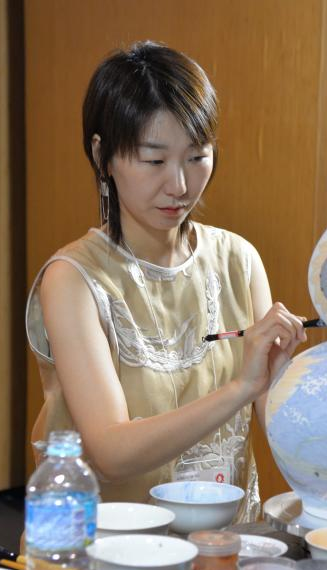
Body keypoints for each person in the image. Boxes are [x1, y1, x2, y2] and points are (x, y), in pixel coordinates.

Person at [25, 41, 306, 522]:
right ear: (103, 155)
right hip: (110, 553)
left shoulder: (238, 261)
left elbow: (284, 432)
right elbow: (111, 453)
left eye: (197, 157)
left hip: (225, 551)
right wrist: (242, 386)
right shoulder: (73, 278)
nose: (179, 185)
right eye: (154, 161)